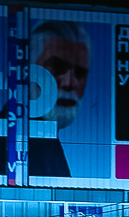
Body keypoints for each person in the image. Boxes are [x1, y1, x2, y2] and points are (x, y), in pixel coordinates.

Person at [26, 20, 93, 177]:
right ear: (31, 70)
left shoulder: (49, 142)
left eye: (80, 73)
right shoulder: (10, 142)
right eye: (57, 67)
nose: (70, 83)